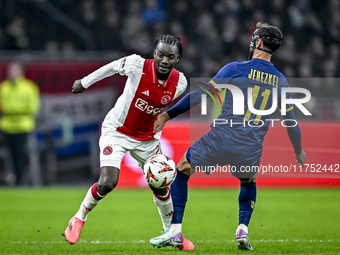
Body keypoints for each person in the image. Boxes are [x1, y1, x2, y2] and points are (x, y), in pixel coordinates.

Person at [150, 23, 307, 250]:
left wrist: (168, 115)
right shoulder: (281, 80)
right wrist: (298, 150)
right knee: (248, 181)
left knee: (183, 168)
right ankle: (242, 228)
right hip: (251, 146)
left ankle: (175, 231)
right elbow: (291, 123)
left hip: (223, 137)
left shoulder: (235, 68)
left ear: (259, 43)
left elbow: (202, 94)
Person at [63, 34, 194, 250]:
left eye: (170, 57)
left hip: (148, 140)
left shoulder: (180, 82)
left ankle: (171, 234)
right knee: (108, 182)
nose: (164, 60)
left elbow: (159, 108)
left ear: (177, 59)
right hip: (117, 131)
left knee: (161, 187)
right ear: (154, 53)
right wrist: (84, 83)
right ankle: (78, 218)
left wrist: (162, 119)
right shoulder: (137, 65)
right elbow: (112, 67)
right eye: (160, 55)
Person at [0, 61, 40, 185]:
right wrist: (15, 109)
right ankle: (8, 178)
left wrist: (12, 109)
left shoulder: (29, 87)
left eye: (15, 70)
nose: (12, 73)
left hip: (23, 126)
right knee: (9, 155)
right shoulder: (3, 87)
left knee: (19, 154)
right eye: (10, 70)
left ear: (21, 72)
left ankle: (19, 180)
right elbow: (2, 107)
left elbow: (33, 108)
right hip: (5, 126)